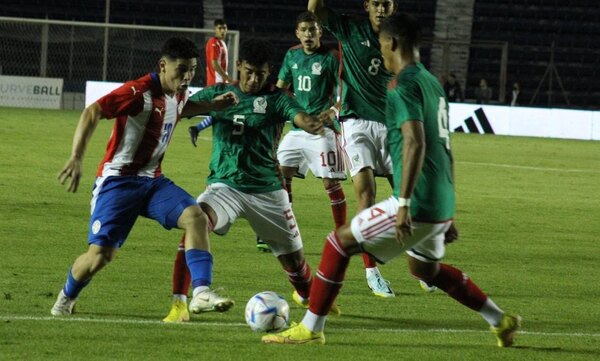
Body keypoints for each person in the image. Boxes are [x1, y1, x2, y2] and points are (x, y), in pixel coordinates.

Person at [263, 13, 521, 347]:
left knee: (337, 243)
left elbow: (414, 141)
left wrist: (403, 204)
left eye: (382, 45)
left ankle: (311, 327)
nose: (380, 53)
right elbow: (444, 147)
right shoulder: (432, 83)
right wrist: (447, 209)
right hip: (440, 199)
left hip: (418, 201)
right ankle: (500, 320)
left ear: (394, 43)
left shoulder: (402, 86)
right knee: (425, 270)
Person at [51, 37, 237, 317]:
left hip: (152, 182)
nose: (187, 76)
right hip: (118, 183)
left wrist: (214, 105)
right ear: (162, 66)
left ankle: (200, 292)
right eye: (181, 69)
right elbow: (93, 111)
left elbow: (180, 110)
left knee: (196, 217)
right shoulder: (138, 92)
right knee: (101, 256)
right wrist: (76, 157)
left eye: (192, 69)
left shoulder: (180, 92)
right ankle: (66, 297)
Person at [162, 38, 340, 323]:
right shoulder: (220, 92)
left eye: (261, 73)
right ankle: (183, 302)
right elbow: (180, 109)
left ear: (269, 72)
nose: (254, 79)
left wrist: (312, 123)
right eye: (249, 72)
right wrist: (211, 105)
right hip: (224, 186)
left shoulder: (278, 98)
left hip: (268, 190)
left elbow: (299, 117)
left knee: (293, 259)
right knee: (196, 223)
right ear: (238, 67)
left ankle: (308, 296)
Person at [305, 0, 397, 298]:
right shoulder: (350, 27)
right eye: (377, 3)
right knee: (366, 194)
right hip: (355, 122)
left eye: (387, 3)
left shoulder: (401, 36)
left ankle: (421, 263)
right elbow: (316, 9)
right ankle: (371, 271)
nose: (381, 8)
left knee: (408, 198)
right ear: (367, 5)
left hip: (390, 123)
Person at [276, 12, 347, 248]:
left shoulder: (331, 57)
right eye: (304, 29)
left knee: (330, 184)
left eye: (313, 29)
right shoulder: (292, 55)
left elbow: (345, 92)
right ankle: (287, 229)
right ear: (297, 32)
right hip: (297, 129)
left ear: (320, 31)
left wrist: (334, 111)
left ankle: (342, 235)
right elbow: (280, 90)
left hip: (323, 130)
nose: (308, 34)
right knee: (279, 174)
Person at [205, 19, 230, 86]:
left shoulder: (222, 43)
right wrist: (228, 78)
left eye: (224, 28)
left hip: (221, 82)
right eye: (220, 28)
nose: (222, 31)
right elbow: (214, 64)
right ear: (215, 29)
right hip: (216, 82)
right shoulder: (213, 42)